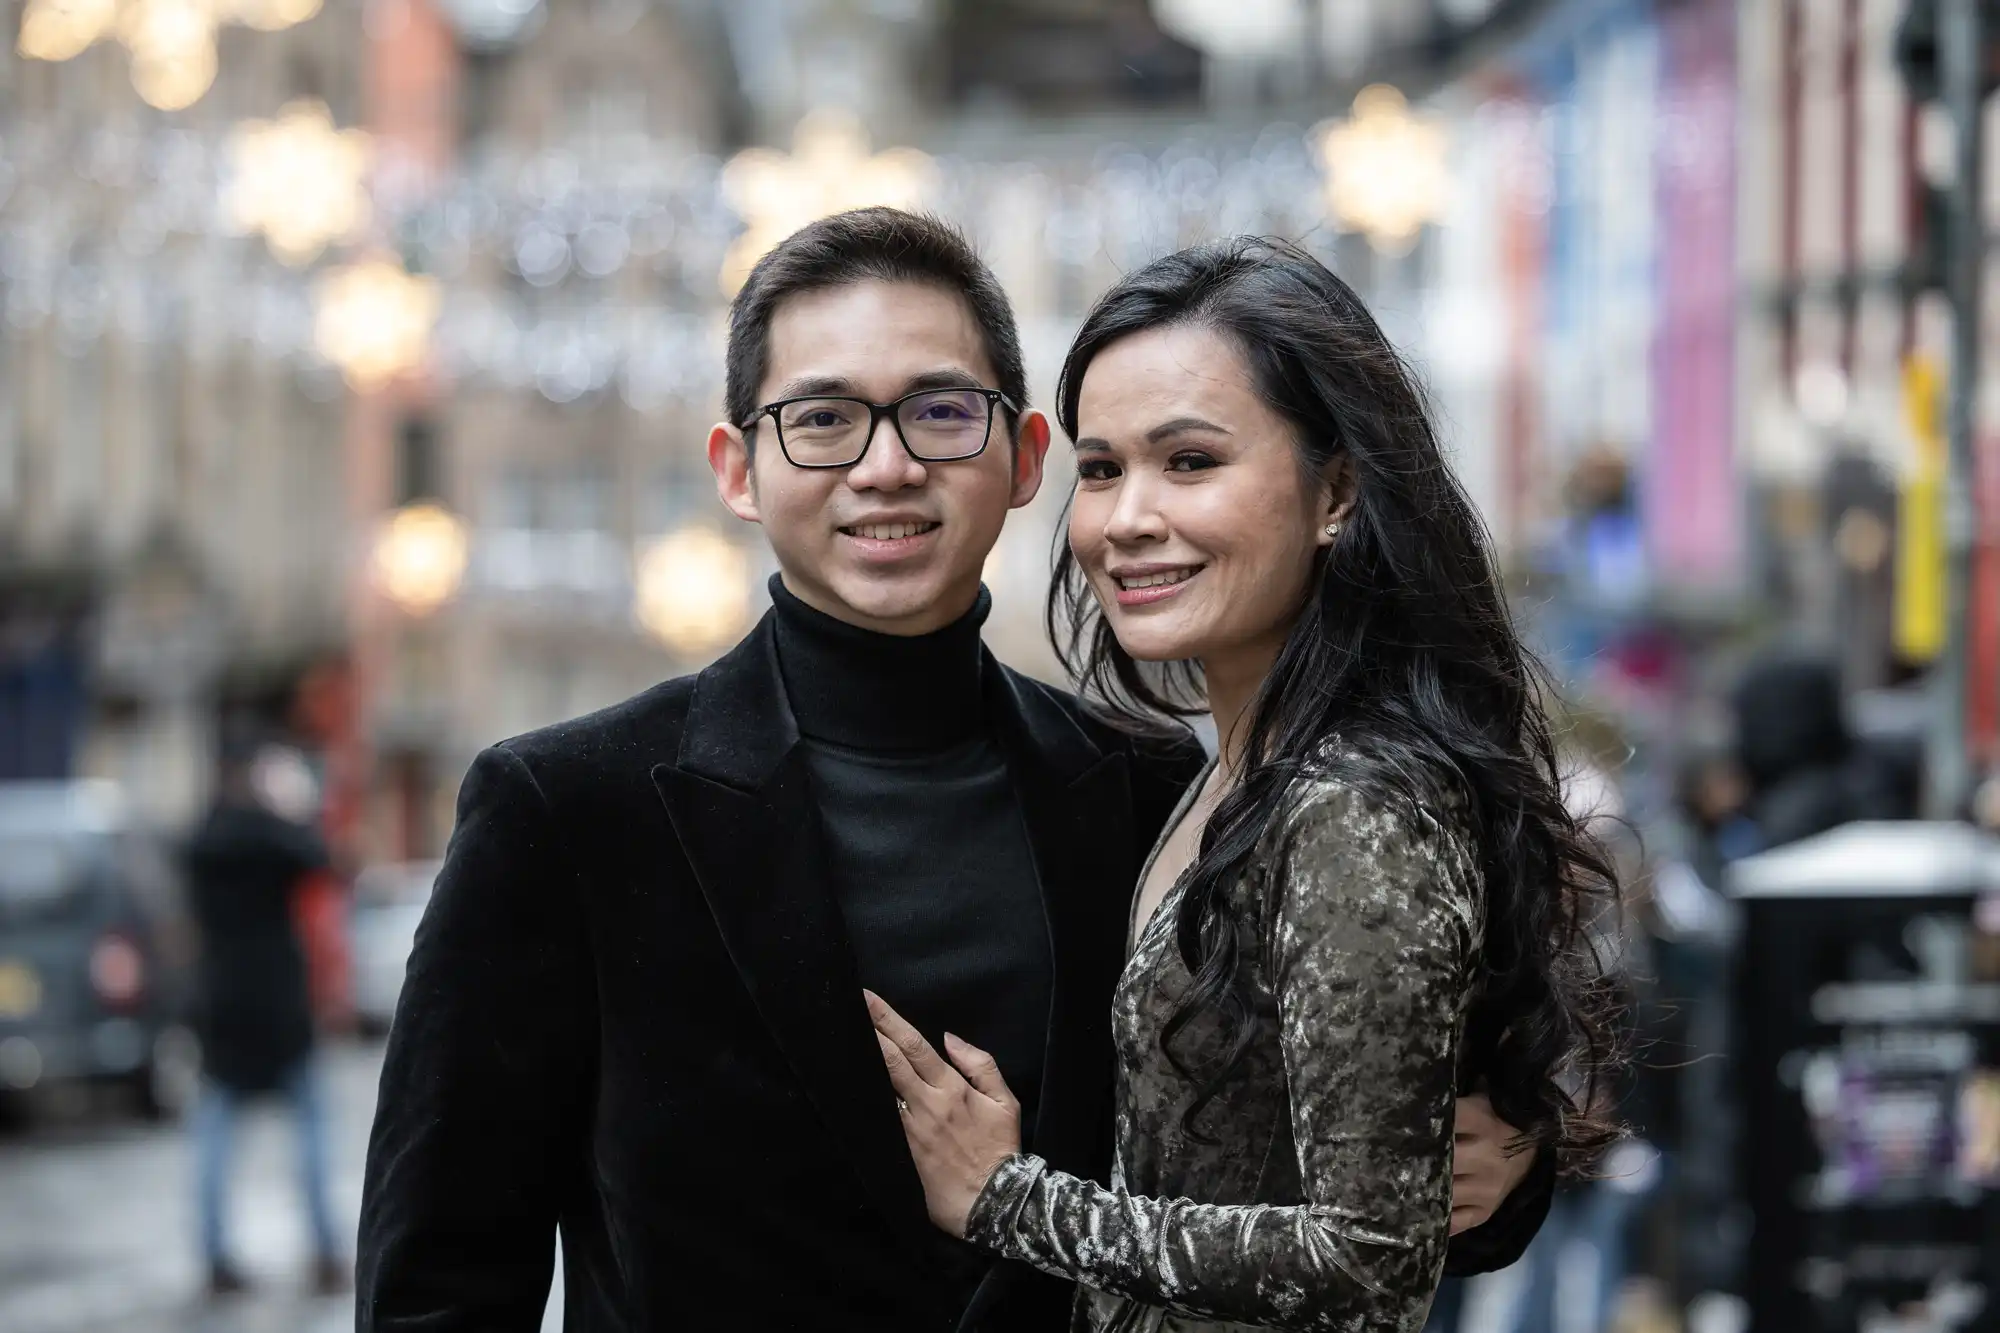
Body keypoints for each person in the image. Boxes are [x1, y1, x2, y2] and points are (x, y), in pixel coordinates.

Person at [356, 210, 1548, 1333]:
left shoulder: (1149, 789)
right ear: (735, 468)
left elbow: (1312, 1183)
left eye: (937, 411)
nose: (883, 467)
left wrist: (1508, 1164)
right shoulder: (567, 808)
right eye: (821, 418)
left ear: (1025, 457)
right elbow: (442, 1276)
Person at [866, 237, 1622, 1331]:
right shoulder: (1220, 769)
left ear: (1337, 491)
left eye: (1188, 462)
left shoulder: (1352, 801)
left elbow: (1367, 1259)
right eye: (1101, 468)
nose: (1126, 518)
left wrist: (1010, 1200)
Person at [182, 736, 345, 1298]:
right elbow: (324, 858)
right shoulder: (276, 837)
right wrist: (294, 808)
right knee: (311, 1136)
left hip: (221, 1003)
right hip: (279, 1003)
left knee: (214, 1140)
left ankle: (213, 1254)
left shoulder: (203, 840)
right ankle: (324, 1251)